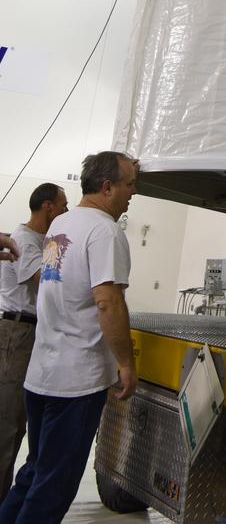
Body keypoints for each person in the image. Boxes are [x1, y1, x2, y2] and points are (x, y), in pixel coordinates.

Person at [0, 152, 138, 524]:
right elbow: (108, 301)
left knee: (33, 472)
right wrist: (126, 362)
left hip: (42, 373)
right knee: (53, 486)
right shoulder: (106, 231)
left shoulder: (61, 224)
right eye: (129, 185)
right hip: (76, 382)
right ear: (107, 187)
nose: (132, 194)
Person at [0, 184, 68, 500]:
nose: (68, 213)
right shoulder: (25, 241)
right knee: (8, 424)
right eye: (64, 206)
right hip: (16, 333)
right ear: (48, 207)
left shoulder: (44, 241)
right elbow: (47, 282)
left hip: (32, 334)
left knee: (18, 424)